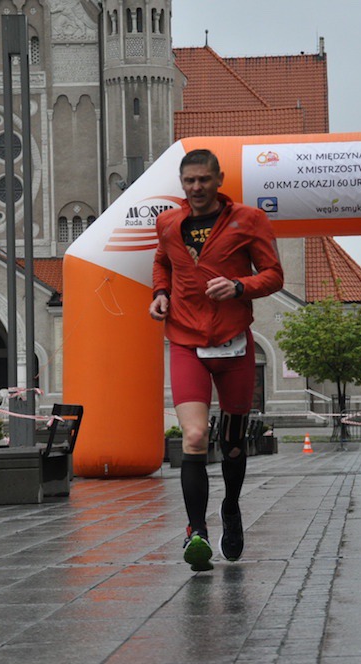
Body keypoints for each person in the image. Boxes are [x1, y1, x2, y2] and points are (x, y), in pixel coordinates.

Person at [150, 148, 284, 572]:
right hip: (186, 341)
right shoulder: (168, 222)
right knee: (193, 436)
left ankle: (231, 506)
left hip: (233, 344)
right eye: (189, 180)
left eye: (204, 180)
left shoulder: (249, 219)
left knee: (231, 443)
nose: (197, 187)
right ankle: (197, 532)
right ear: (182, 182)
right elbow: (161, 261)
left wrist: (240, 287)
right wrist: (160, 293)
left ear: (219, 179)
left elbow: (274, 275)